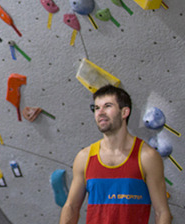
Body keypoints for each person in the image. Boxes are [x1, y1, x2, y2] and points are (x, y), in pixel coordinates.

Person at [58, 85, 172, 224]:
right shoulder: (85, 157)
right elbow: (71, 207)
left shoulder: (147, 157)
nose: (100, 112)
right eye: (97, 108)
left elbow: (162, 212)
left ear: (124, 112)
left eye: (107, 106)